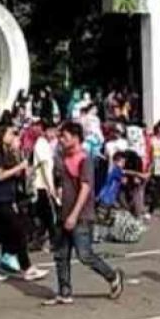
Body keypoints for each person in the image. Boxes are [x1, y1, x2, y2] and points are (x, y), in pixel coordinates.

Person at [47, 122, 126, 305]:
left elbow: (85, 188)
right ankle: (64, 291)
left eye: (64, 137)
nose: (61, 140)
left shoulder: (85, 160)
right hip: (63, 211)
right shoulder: (60, 158)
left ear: (75, 138)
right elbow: (60, 181)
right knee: (61, 254)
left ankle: (113, 276)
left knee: (85, 255)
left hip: (81, 214)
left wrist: (74, 215)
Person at [0, 124, 48, 283]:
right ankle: (27, 268)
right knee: (18, 231)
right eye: (10, 133)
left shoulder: (5, 152)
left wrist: (20, 161)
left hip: (5, 197)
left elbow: (13, 174)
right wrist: (19, 166)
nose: (13, 136)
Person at [31, 121, 60, 251]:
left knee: (44, 216)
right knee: (49, 215)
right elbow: (44, 167)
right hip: (42, 185)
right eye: (52, 130)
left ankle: (38, 240)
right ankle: (52, 241)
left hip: (44, 184)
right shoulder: (41, 144)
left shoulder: (46, 145)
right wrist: (50, 187)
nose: (54, 133)